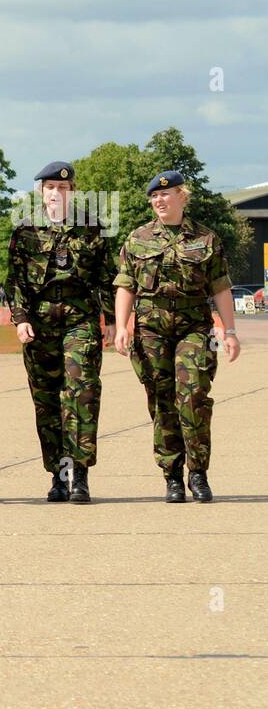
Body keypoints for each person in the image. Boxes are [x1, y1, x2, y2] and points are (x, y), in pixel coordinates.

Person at [113, 170, 241, 503]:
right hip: (150, 329)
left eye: (165, 195)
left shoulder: (205, 239)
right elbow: (125, 286)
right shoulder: (138, 238)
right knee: (162, 401)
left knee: (194, 395)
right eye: (154, 196)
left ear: (182, 196)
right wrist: (122, 326)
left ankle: (198, 473)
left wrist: (229, 331)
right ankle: (172, 475)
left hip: (194, 327)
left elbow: (221, 287)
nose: (158, 200)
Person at [8, 161, 117, 503]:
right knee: (46, 401)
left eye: (64, 188)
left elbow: (105, 277)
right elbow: (16, 280)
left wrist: (112, 320)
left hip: (80, 319)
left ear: (73, 192)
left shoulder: (92, 227)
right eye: (51, 187)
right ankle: (58, 475)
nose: (57, 193)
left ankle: (80, 474)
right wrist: (21, 317)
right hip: (39, 323)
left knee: (81, 394)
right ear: (41, 192)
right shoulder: (25, 230)